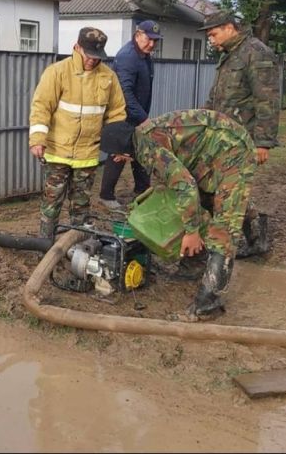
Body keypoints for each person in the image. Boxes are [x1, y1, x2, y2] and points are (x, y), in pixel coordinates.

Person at [99, 110, 256, 321]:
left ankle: (208, 305)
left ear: (123, 152)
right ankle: (195, 263)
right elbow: (175, 182)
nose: (116, 159)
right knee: (202, 201)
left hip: (231, 150)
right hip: (211, 149)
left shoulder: (149, 149)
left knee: (224, 225)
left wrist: (191, 232)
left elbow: (186, 186)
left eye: (115, 155)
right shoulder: (141, 136)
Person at [29, 27, 127, 240]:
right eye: (88, 54)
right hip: (57, 153)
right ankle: (45, 247)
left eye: (96, 56)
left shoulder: (109, 78)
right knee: (51, 204)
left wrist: (119, 146)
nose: (92, 60)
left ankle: (78, 248)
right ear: (77, 47)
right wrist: (37, 139)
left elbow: (117, 113)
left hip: (87, 156)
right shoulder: (57, 72)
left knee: (81, 208)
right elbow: (41, 107)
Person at [198, 10, 280, 257]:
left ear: (229, 28)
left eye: (213, 34)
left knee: (229, 190)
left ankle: (246, 239)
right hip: (221, 137)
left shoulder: (256, 52)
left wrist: (262, 143)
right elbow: (217, 97)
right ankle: (255, 236)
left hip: (241, 139)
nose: (210, 40)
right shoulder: (230, 55)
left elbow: (267, 100)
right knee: (218, 188)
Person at [98, 20, 161, 210]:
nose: (152, 44)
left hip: (137, 113)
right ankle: (106, 195)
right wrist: (143, 118)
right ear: (138, 34)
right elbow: (125, 93)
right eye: (149, 39)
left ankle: (142, 191)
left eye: (155, 41)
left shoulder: (144, 56)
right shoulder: (128, 57)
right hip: (123, 114)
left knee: (140, 151)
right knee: (119, 153)